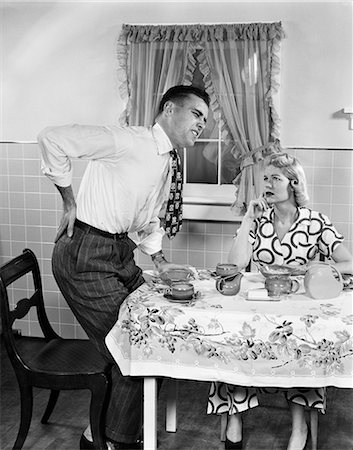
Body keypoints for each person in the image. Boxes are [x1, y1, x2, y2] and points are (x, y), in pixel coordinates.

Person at [38, 85, 210, 450]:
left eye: (205, 121)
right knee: (135, 349)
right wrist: (69, 202)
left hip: (119, 254)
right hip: (85, 256)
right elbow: (51, 138)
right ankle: (111, 441)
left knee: (158, 336)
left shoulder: (168, 160)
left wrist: (160, 261)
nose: (201, 126)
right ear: (168, 109)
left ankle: (104, 432)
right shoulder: (128, 141)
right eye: (196, 115)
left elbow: (146, 219)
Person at [207, 152, 353, 450]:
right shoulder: (258, 219)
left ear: (294, 183)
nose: (267, 184)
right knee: (232, 340)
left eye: (275, 178)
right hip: (260, 306)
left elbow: (349, 265)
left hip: (299, 310)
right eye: (265, 178)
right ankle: (235, 420)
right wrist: (248, 218)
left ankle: (298, 430)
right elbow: (235, 266)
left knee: (305, 345)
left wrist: (310, 269)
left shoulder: (315, 222)